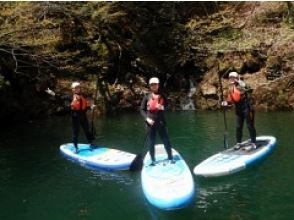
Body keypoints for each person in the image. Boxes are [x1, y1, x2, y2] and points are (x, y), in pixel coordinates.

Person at [45, 82, 95, 153]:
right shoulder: (70, 97)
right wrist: (52, 93)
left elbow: (83, 108)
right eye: (76, 87)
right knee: (76, 132)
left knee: (87, 130)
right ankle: (75, 147)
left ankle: (90, 143)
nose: (78, 88)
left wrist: (90, 107)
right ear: (73, 89)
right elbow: (60, 98)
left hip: (83, 116)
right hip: (75, 117)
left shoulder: (82, 96)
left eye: (78, 87)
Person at [140, 77, 175, 166]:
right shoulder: (146, 97)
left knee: (166, 141)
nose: (154, 86)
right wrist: (147, 118)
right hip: (150, 124)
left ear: (158, 85)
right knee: (151, 143)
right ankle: (153, 160)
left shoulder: (163, 96)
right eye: (152, 85)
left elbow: (168, 106)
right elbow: (142, 109)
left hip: (161, 123)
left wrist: (162, 107)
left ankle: (170, 158)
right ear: (150, 86)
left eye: (155, 84)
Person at [222, 72, 257, 149]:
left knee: (250, 125)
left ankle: (253, 142)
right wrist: (226, 102)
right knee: (238, 127)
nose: (231, 79)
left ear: (237, 78)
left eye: (233, 77)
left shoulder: (241, 85)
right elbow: (231, 99)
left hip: (247, 108)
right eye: (230, 77)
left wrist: (243, 84)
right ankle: (239, 143)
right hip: (238, 109)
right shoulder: (230, 87)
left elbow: (250, 90)